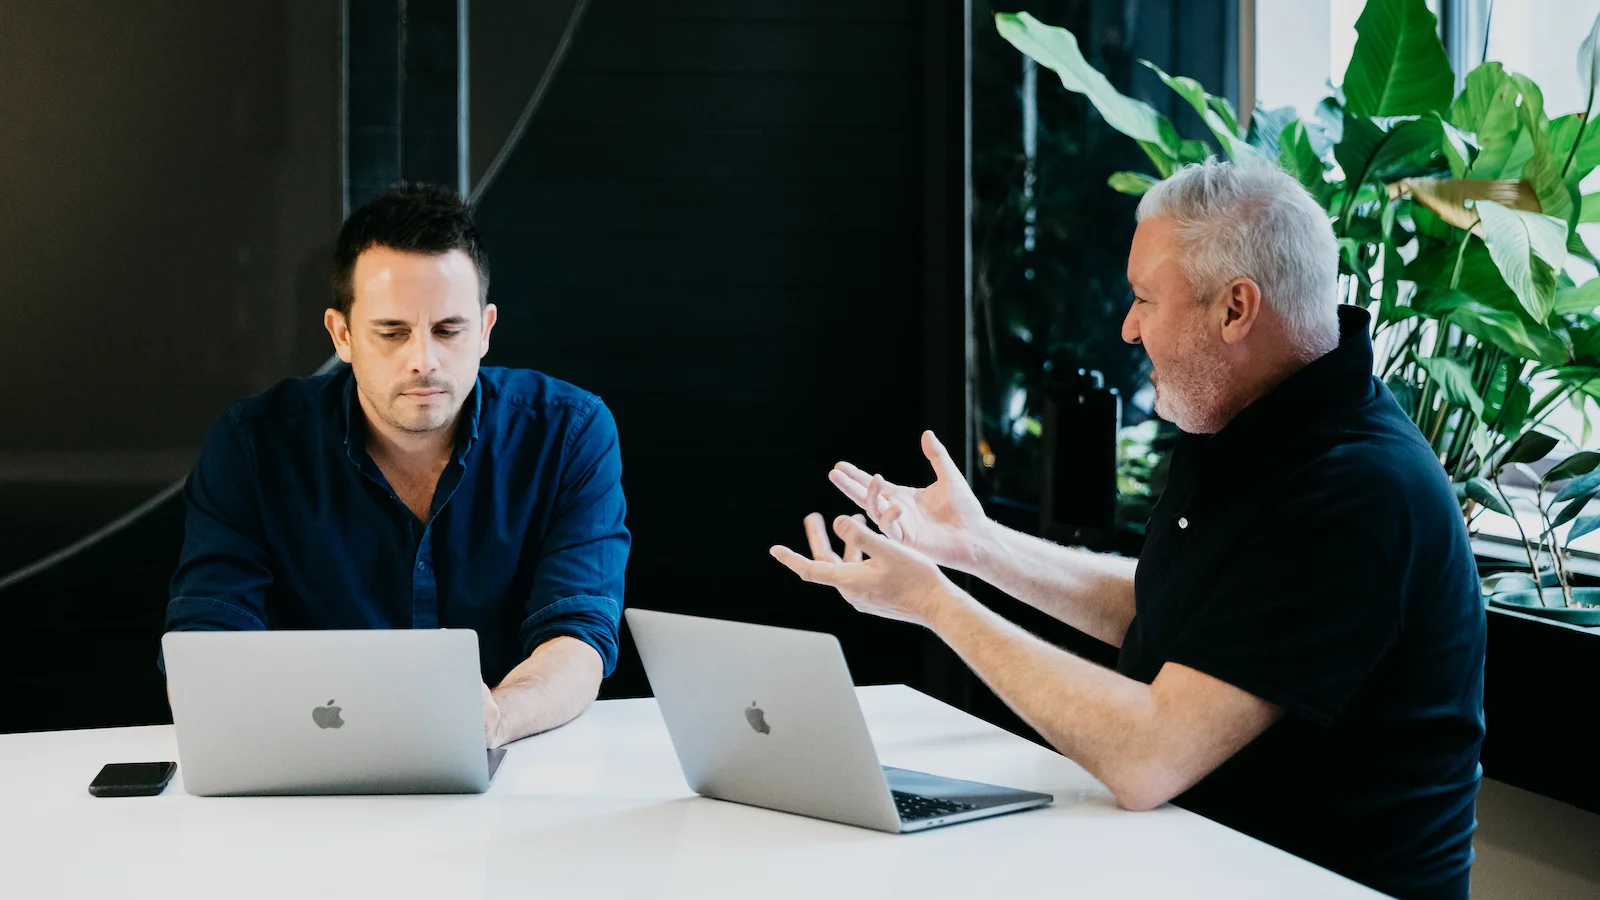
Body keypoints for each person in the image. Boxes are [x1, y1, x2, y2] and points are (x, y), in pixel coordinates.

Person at [772, 159, 1484, 900]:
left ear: (1236, 309)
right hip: (1189, 861)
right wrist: (978, 547)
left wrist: (935, 602)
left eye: (1146, 298)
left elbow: (1150, 756)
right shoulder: (1249, 423)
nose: (1128, 326)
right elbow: (1180, 607)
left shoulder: (1360, 492)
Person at [165, 182, 629, 748]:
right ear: (342, 334)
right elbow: (208, 640)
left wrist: (498, 716)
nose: (423, 361)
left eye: (448, 330)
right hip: (309, 759)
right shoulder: (253, 445)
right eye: (392, 332)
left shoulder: (569, 432)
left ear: (484, 330)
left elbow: (578, 636)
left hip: (511, 762)